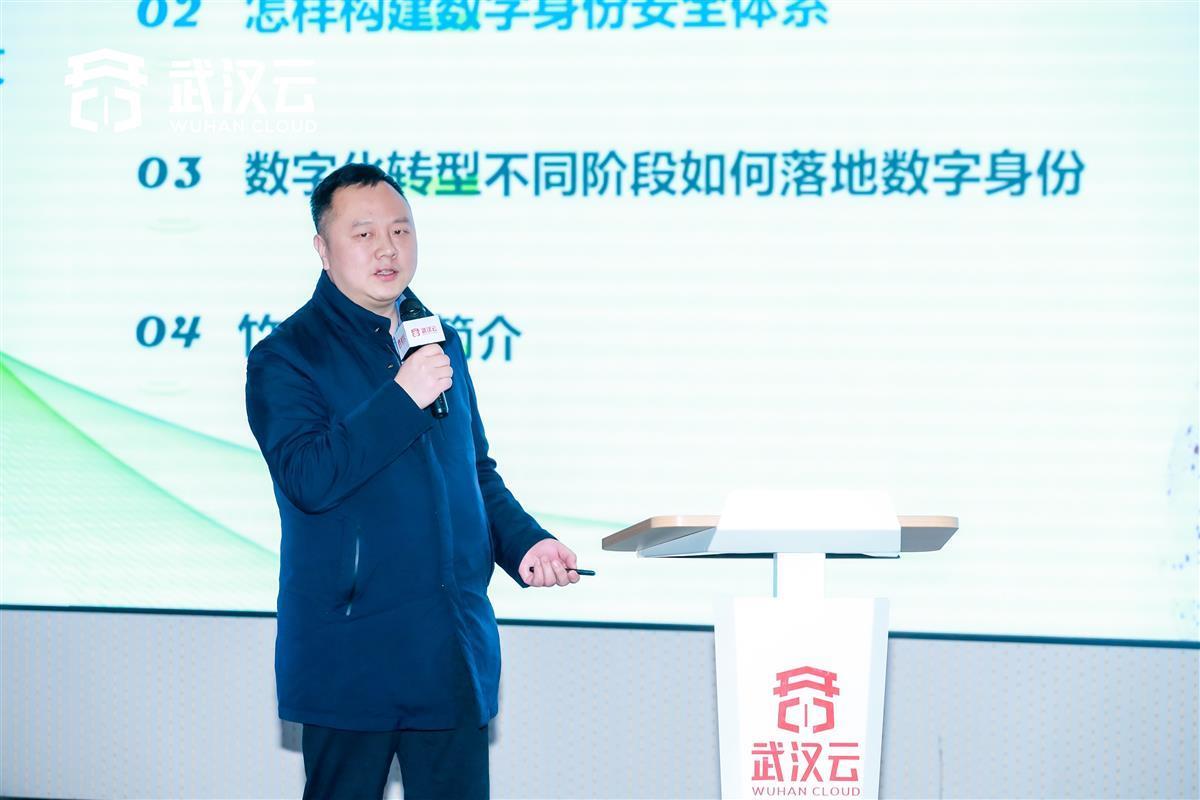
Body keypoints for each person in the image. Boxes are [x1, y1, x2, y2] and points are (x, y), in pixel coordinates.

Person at [245, 163, 580, 800]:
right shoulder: (285, 357)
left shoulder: (435, 341)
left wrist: (526, 543)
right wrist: (401, 397)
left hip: (448, 648)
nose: (388, 248)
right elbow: (309, 479)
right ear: (322, 248)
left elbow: (472, 471)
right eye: (364, 233)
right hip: (351, 653)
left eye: (400, 230)